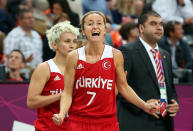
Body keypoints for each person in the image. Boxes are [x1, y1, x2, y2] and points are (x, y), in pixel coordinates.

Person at [52, 11, 159, 131]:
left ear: (104, 30)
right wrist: (61, 113)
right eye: (90, 24)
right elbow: (67, 92)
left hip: (106, 122)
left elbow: (123, 87)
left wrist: (144, 106)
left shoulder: (116, 55)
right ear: (83, 31)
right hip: (78, 121)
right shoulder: (73, 57)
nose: (95, 26)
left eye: (99, 23)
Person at [117, 11, 179, 131]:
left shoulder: (165, 54)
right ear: (141, 28)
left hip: (164, 123)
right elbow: (119, 89)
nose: (159, 27)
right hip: (137, 122)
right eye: (153, 24)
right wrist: (143, 105)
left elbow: (170, 87)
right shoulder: (126, 51)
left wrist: (174, 103)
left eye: (161, 24)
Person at [27, 21, 79, 131]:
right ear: (54, 44)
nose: (72, 45)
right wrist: (62, 96)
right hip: (49, 127)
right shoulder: (44, 68)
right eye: (67, 41)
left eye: (74, 41)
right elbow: (31, 102)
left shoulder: (81, 68)